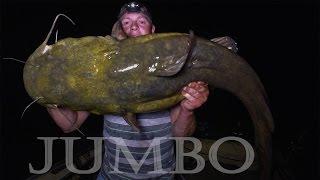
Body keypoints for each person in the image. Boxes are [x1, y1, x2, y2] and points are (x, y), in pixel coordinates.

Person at [47, 1, 237, 179]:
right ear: (118, 33)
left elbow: (181, 136)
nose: (133, 26)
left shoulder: (174, 72)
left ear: (153, 31)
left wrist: (188, 108)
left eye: (142, 21)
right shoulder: (98, 75)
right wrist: (47, 94)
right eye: (126, 22)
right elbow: (69, 125)